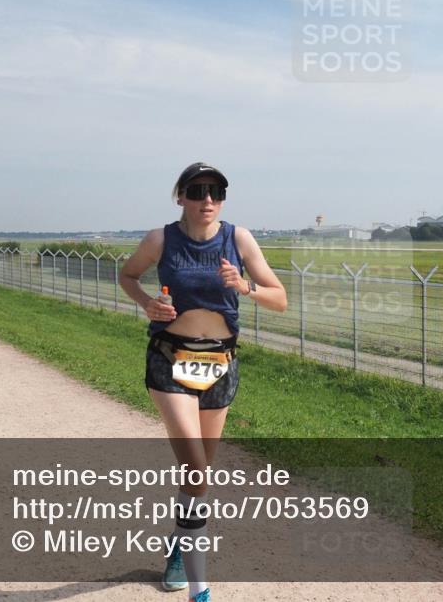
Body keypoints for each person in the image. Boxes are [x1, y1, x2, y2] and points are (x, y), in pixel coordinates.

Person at [119, 163, 287, 602]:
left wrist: (246, 287)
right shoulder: (161, 239)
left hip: (220, 364)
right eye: (197, 191)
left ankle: (178, 545)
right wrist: (147, 304)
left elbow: (280, 299)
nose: (207, 199)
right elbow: (127, 274)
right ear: (181, 197)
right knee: (195, 467)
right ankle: (199, 586)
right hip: (169, 360)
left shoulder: (240, 239)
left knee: (197, 475)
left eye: (216, 191)